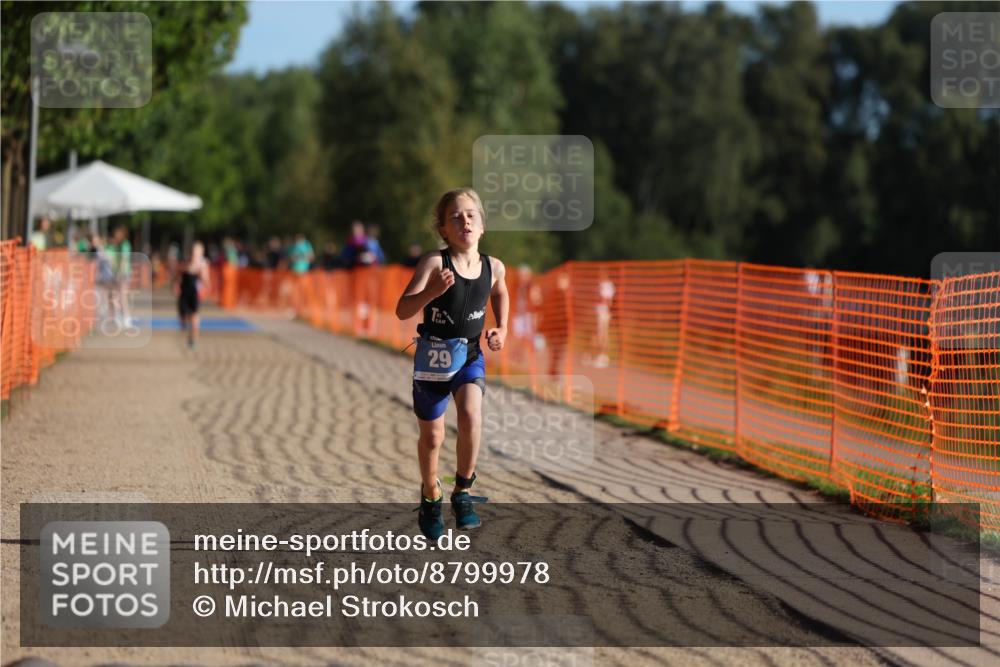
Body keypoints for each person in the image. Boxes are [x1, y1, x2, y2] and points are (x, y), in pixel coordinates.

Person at [395, 188, 509, 539]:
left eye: (471, 215)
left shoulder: (494, 266)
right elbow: (402, 309)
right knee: (433, 435)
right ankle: (431, 493)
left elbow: (500, 290)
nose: (465, 222)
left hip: (469, 354)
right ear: (443, 229)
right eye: (456, 217)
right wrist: (430, 293)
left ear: (482, 225)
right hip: (432, 357)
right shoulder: (434, 262)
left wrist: (502, 327)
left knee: (472, 415)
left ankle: (462, 490)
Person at [174, 241, 210, 348]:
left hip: (195, 294)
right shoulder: (184, 264)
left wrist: (201, 276)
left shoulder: (203, 266)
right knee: (183, 317)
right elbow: (176, 277)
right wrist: (175, 285)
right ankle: (184, 320)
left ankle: (192, 339)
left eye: (197, 253)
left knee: (195, 318)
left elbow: (207, 282)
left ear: (200, 254)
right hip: (184, 293)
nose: (194, 255)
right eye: (192, 253)